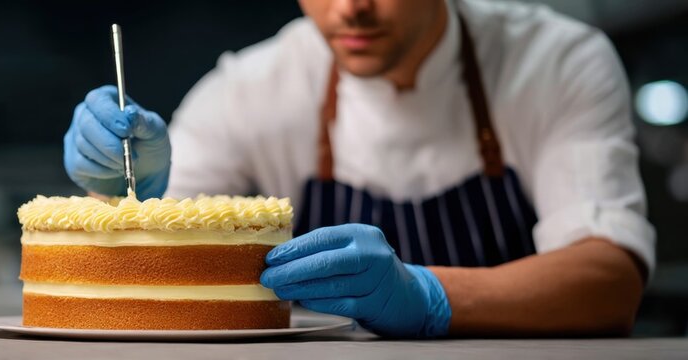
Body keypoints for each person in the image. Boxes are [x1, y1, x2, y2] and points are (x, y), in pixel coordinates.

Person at [63, 0, 653, 337]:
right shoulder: (251, 88)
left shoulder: (556, 63)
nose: (350, 9)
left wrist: (428, 294)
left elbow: (608, 282)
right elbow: (142, 260)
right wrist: (121, 191)